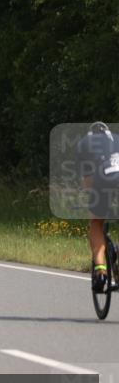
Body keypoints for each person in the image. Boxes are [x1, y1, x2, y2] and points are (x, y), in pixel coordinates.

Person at [78, 121, 119, 292]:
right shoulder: (117, 139)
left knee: (96, 223)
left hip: (104, 178)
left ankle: (101, 271)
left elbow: (89, 184)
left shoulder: (84, 144)